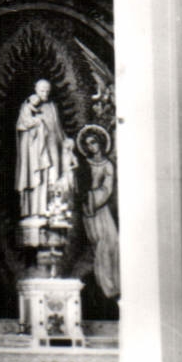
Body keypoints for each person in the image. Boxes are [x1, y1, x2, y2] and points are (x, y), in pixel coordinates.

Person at [14, 78, 66, 219]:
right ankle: (32, 212)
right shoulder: (28, 105)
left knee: (50, 178)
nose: (45, 93)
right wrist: (35, 125)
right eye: (42, 90)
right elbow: (22, 125)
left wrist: (65, 141)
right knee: (35, 179)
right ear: (36, 90)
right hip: (34, 151)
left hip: (51, 147)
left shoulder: (52, 106)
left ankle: (48, 210)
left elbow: (58, 128)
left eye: (47, 90)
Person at [79, 128, 119, 299]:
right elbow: (79, 183)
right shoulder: (84, 164)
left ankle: (111, 285)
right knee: (97, 244)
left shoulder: (107, 165)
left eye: (93, 142)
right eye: (87, 144)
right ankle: (103, 284)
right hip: (88, 209)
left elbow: (107, 188)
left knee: (111, 242)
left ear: (101, 143)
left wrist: (92, 199)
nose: (91, 147)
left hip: (99, 207)